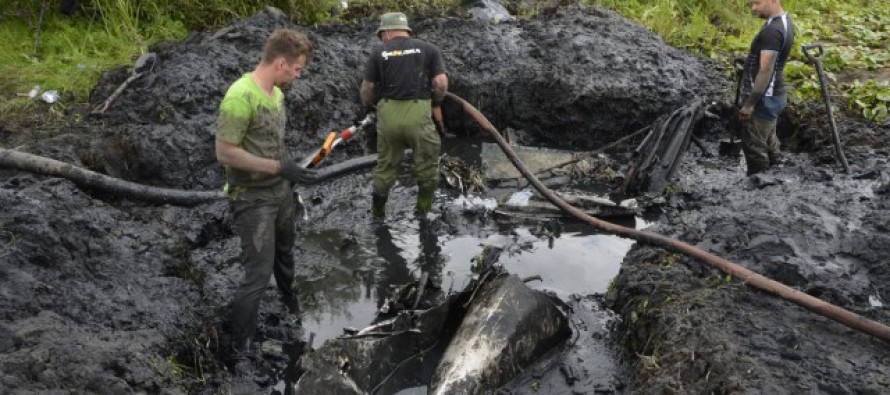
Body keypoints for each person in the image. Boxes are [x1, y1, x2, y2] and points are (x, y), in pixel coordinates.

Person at [214, 29, 319, 372]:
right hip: (252, 199)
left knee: (285, 254)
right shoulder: (239, 97)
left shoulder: (275, 94)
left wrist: (290, 172)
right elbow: (225, 152)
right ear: (279, 63)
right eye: (297, 69)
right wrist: (278, 166)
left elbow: (272, 141)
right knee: (257, 275)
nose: (298, 75)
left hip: (280, 192)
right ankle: (239, 351)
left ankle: (290, 306)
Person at [360, 12, 449, 218]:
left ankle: (378, 213)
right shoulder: (429, 50)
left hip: (389, 117)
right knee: (427, 166)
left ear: (388, 31)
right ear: (406, 30)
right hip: (419, 116)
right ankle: (423, 212)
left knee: (386, 167)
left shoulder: (378, 52)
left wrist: (369, 107)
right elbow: (441, 84)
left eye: (382, 34)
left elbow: (367, 88)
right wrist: (436, 101)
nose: (382, 38)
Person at [738, 0, 795, 176]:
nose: (753, 8)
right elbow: (771, 60)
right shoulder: (784, 21)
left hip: (764, 97)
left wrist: (749, 104)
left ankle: (759, 182)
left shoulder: (773, 31)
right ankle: (776, 173)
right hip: (775, 95)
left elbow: (766, 69)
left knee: (754, 145)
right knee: (769, 138)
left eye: (757, 3)